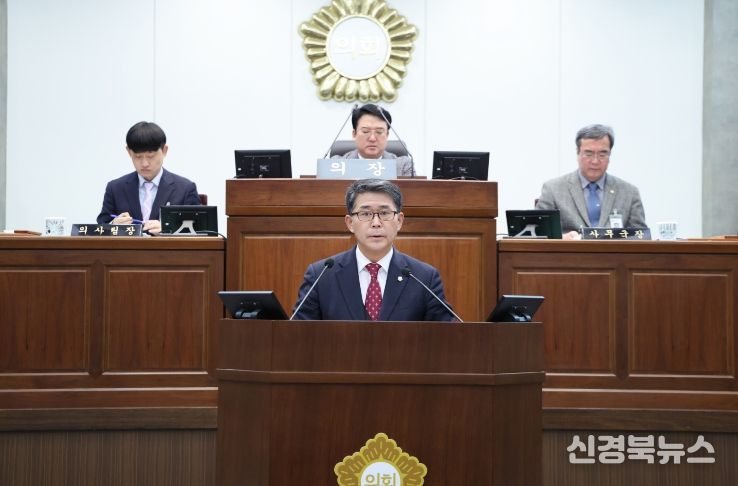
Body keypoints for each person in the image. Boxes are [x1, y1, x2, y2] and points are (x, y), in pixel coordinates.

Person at [292, 178, 456, 321]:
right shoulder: (321, 275)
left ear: (399, 221)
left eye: (384, 213)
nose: (376, 223)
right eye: (365, 214)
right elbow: (298, 334)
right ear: (350, 223)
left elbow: (446, 336)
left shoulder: (424, 277)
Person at [535, 124, 646, 240]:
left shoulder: (629, 193)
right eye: (588, 154)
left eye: (602, 154)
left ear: (609, 155)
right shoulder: (553, 189)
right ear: (578, 153)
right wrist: (562, 238)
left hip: (614, 252)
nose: (595, 161)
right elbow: (538, 234)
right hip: (569, 251)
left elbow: (641, 236)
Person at [96, 121, 201, 233]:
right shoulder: (115, 188)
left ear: (164, 150)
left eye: (150, 156)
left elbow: (200, 228)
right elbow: (101, 226)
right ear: (129, 152)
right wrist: (113, 225)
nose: (144, 163)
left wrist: (169, 229)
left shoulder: (185, 189)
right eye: (138, 157)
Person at [332, 103, 414, 177]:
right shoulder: (336, 164)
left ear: (387, 135)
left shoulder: (402, 166)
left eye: (379, 132)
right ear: (354, 134)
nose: (372, 138)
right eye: (365, 131)